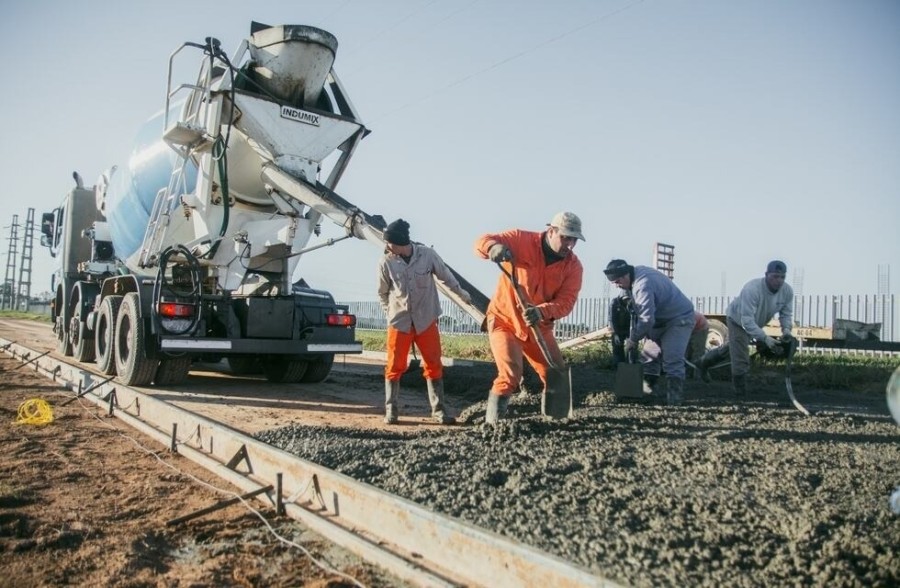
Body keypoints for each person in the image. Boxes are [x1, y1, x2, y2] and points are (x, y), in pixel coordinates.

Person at [474, 211, 585, 424]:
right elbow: (481, 241)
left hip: (539, 326)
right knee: (510, 376)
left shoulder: (573, 267)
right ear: (551, 231)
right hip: (505, 320)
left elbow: (566, 302)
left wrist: (541, 311)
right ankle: (492, 427)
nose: (569, 245)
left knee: (557, 375)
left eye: (574, 240)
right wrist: (492, 247)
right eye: (565, 238)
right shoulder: (520, 240)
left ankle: (557, 423)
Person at [377, 219, 472, 425]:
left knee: (433, 363)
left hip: (426, 320)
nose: (387, 247)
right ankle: (391, 411)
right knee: (394, 365)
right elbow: (382, 293)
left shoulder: (427, 255)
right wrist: (389, 314)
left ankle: (438, 411)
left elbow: (446, 276)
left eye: (390, 243)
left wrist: (461, 293)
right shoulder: (387, 262)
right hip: (399, 322)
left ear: (401, 241)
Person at [603, 259, 695, 406]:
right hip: (659, 320)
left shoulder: (643, 284)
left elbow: (646, 320)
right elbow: (625, 297)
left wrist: (633, 339)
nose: (616, 285)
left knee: (672, 358)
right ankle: (647, 395)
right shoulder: (633, 274)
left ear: (626, 275)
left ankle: (674, 400)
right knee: (648, 358)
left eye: (618, 281)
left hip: (678, 319)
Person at [698, 260, 794, 395]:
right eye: (775, 277)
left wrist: (787, 330)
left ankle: (704, 362)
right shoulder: (752, 289)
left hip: (755, 322)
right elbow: (746, 322)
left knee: (734, 348)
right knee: (741, 356)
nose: (779, 281)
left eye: (782, 277)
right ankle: (740, 390)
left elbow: (786, 314)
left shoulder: (787, 291)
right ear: (766, 275)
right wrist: (765, 339)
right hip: (738, 320)